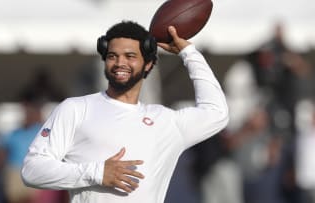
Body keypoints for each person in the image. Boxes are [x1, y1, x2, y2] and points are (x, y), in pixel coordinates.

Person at [21, 20, 228, 203]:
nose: (120, 63)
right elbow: (32, 170)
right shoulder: (76, 108)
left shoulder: (166, 121)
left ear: (148, 65)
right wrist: (98, 172)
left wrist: (189, 53)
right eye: (113, 56)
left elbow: (217, 112)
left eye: (130, 56)